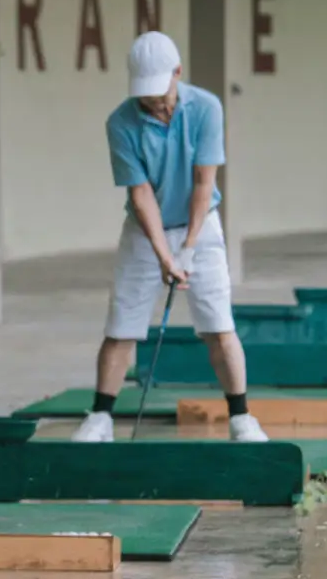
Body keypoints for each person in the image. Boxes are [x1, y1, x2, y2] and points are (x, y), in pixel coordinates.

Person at [72, 31, 267, 445]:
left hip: (202, 224)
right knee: (121, 326)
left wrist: (189, 248)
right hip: (146, 230)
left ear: (177, 73)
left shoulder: (206, 108)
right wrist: (165, 256)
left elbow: (203, 182)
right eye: (145, 95)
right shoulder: (120, 122)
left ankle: (241, 417)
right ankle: (100, 417)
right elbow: (140, 195)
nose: (154, 103)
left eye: (160, 92)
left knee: (218, 325)